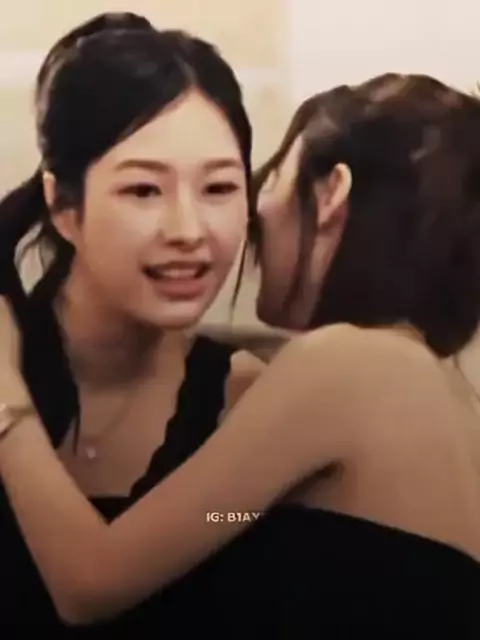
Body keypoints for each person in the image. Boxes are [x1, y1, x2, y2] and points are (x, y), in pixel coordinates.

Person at [1, 71, 480, 637]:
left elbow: (90, 581)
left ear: (332, 193)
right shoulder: (445, 394)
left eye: (267, 182)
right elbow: (227, 516)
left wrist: (5, 391)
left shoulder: (351, 365)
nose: (256, 217)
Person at [0, 12, 265, 631]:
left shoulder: (248, 397)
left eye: (219, 189)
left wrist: (232, 512)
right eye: (144, 191)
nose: (189, 231)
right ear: (63, 206)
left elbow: (231, 523)